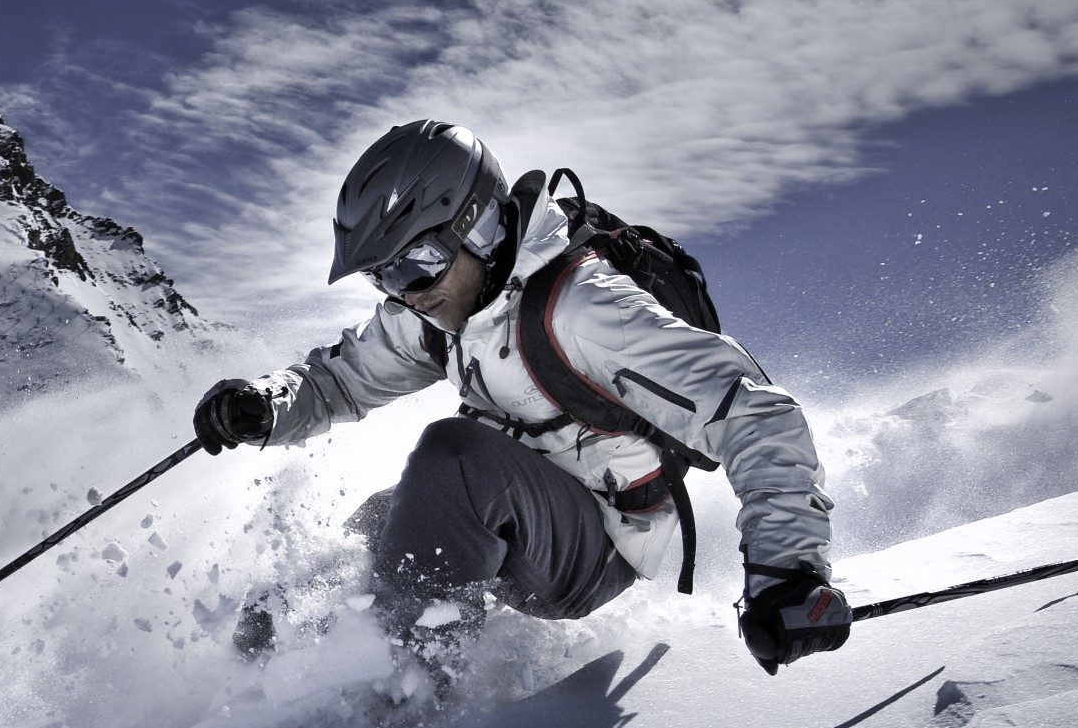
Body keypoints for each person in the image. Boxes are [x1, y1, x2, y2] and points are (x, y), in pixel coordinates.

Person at [193, 121, 849, 678]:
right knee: (377, 525)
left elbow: (755, 412)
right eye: (383, 275)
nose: (405, 291)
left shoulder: (584, 309)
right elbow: (341, 377)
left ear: (475, 226)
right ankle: (254, 680)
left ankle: (405, 688)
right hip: (529, 511)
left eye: (415, 263)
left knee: (452, 461)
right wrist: (266, 403)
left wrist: (786, 571)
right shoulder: (435, 310)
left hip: (605, 544)